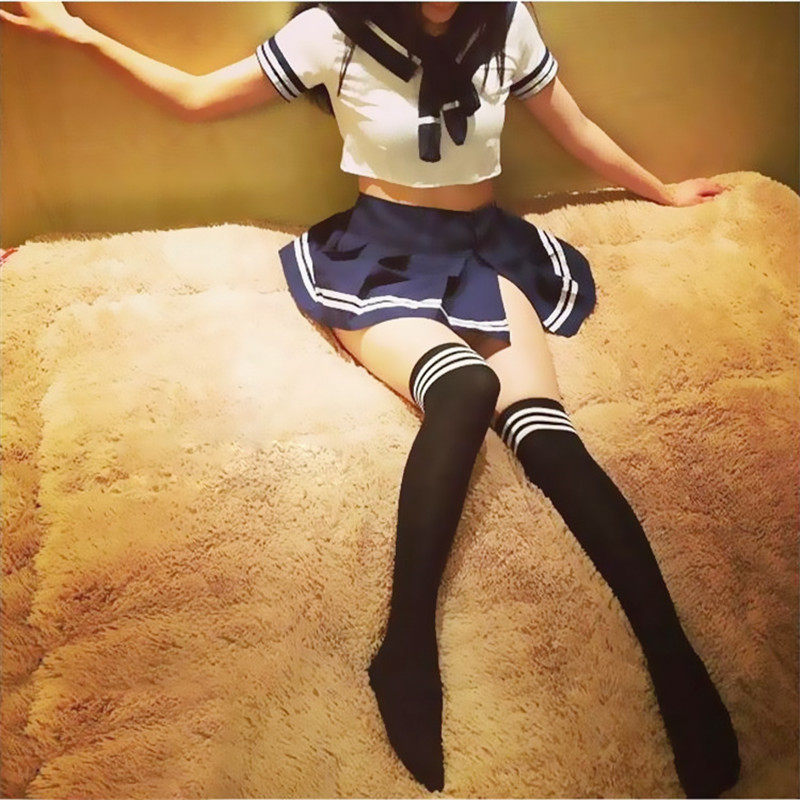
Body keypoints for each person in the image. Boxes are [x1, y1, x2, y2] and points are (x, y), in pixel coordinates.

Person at [1, 2, 741, 796]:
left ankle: (675, 660)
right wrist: (78, 34)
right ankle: (405, 646)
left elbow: (576, 126)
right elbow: (196, 99)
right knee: (466, 386)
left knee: (552, 442)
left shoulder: (504, 22)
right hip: (380, 261)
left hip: (484, 249)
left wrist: (661, 191)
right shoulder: (335, 30)